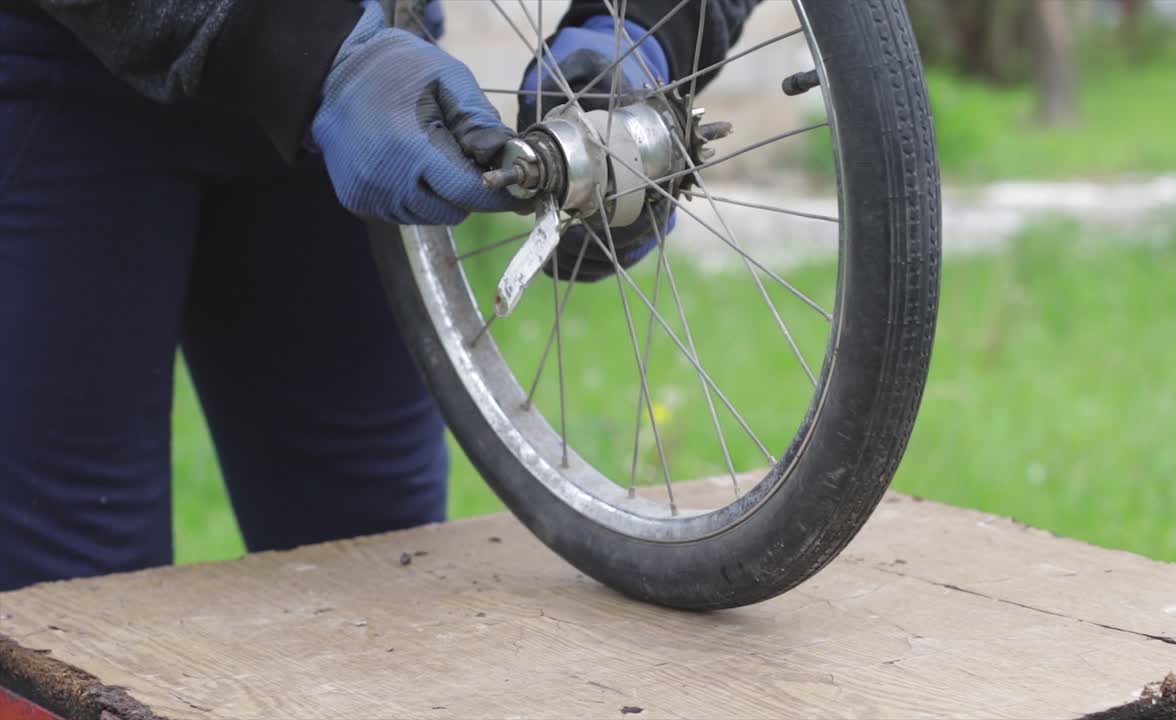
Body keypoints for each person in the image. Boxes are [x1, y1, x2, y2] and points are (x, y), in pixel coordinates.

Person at [0, 0, 758, 591]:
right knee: (64, 607)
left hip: (376, 59)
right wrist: (304, 54)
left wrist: (640, 33)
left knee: (374, 583)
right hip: (52, 71)